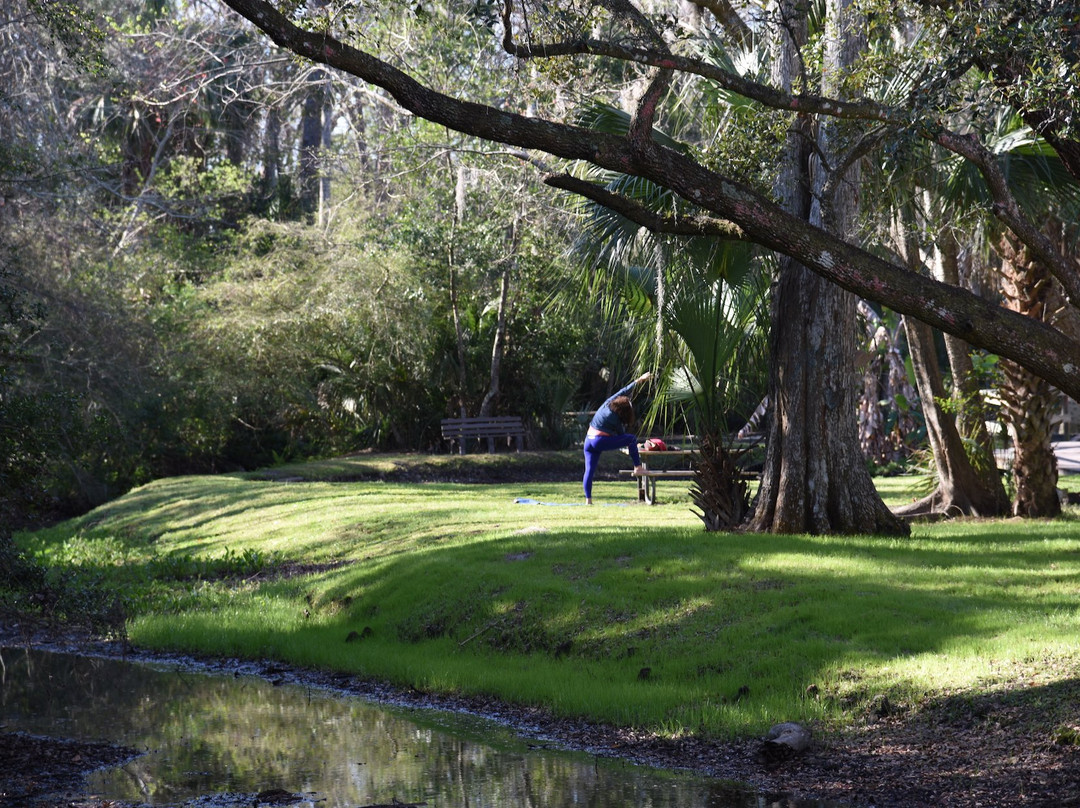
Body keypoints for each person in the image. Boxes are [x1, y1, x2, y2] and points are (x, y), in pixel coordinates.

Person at [583, 371, 652, 504]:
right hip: (599, 441)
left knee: (589, 470)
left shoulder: (608, 402)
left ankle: (588, 501)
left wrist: (639, 380)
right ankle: (637, 467)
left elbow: (623, 390)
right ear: (624, 411)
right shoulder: (614, 418)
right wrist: (633, 446)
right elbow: (622, 436)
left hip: (588, 440)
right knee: (631, 438)